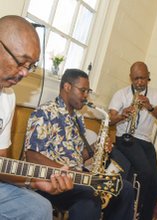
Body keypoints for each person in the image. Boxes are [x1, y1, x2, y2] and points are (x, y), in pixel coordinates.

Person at [24, 68, 135, 220]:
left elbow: (78, 157)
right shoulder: (44, 112)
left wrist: (97, 148)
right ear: (67, 87)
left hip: (76, 179)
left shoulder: (78, 118)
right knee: (90, 198)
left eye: (87, 91)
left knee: (125, 188)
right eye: (82, 90)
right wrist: (69, 172)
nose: (85, 96)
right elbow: (32, 155)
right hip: (51, 182)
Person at [0, 15, 73, 220]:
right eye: (21, 62)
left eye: (30, 66)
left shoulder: (7, 97)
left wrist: (33, 182)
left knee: (39, 207)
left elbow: (1, 164)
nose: (24, 73)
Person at [108, 61, 157, 220]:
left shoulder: (155, 94)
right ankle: (133, 209)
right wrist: (122, 115)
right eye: (135, 79)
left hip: (145, 142)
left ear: (149, 76)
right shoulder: (121, 94)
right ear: (130, 78)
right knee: (146, 172)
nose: (139, 82)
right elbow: (109, 120)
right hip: (126, 139)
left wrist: (150, 107)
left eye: (142, 78)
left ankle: (144, 216)